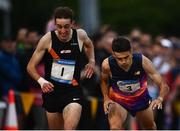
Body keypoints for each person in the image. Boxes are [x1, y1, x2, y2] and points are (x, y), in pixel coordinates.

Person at [27, 6, 95, 130]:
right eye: (59, 27)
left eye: (66, 27)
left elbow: (89, 45)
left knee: (69, 128)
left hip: (73, 91)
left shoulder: (80, 35)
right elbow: (30, 67)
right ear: (55, 24)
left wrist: (91, 61)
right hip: (52, 92)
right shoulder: (47, 39)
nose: (63, 31)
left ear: (72, 24)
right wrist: (42, 82)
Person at [100, 36, 169, 130]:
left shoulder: (142, 61)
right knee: (115, 127)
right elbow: (104, 81)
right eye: (119, 59)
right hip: (119, 100)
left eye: (126, 57)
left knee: (150, 127)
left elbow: (163, 84)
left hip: (140, 100)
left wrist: (160, 98)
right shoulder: (107, 64)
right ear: (113, 54)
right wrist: (106, 98)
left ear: (131, 51)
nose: (123, 61)